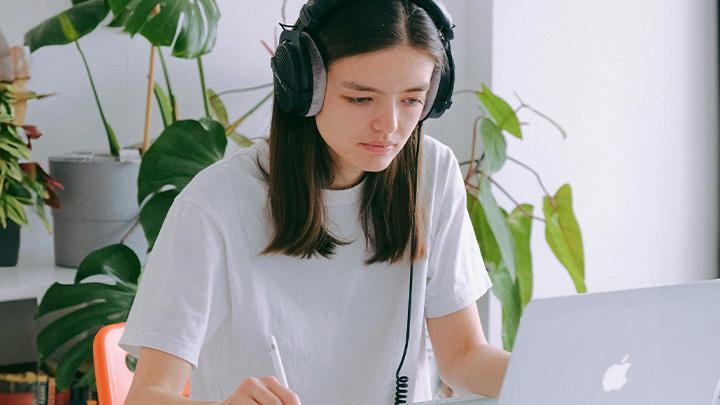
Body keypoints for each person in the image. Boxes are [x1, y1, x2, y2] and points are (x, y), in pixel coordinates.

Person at [120, 0, 510, 404]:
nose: (390, 126)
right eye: (361, 99)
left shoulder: (433, 174)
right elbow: (147, 395)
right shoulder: (213, 205)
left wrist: (562, 376)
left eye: (411, 99)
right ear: (305, 86)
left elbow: (462, 358)